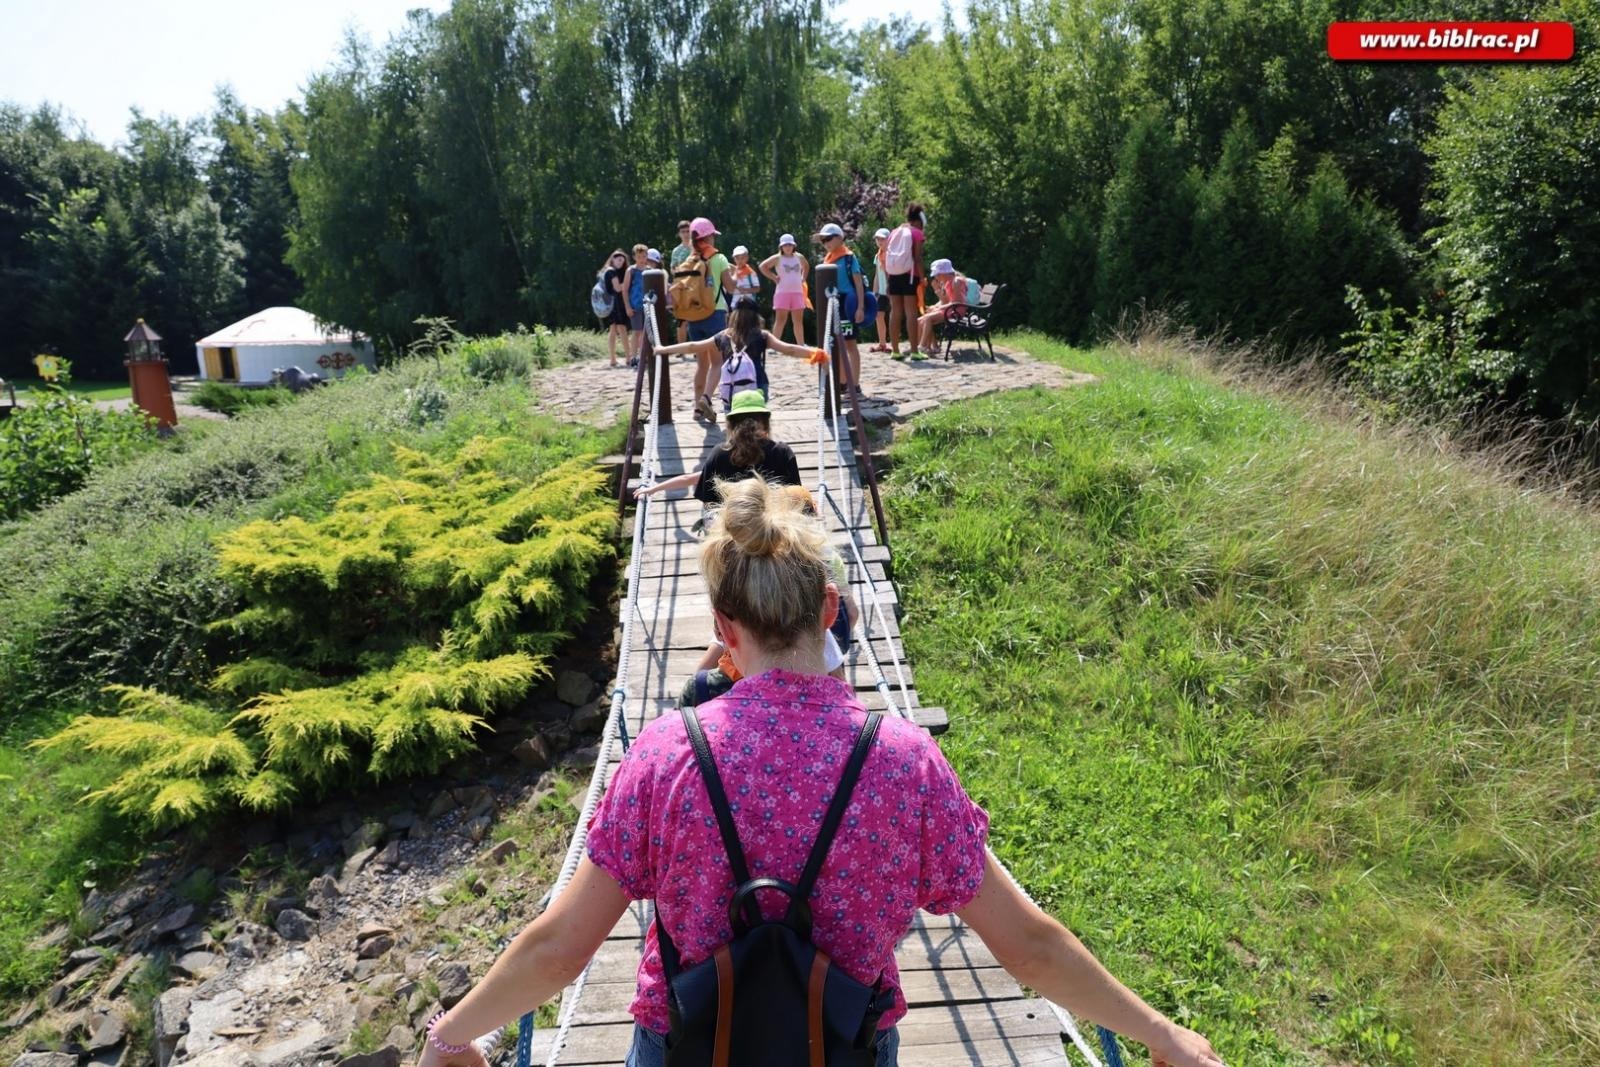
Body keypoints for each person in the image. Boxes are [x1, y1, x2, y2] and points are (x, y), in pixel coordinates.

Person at [413, 477, 1226, 1067]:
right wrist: (1163, 1033)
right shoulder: (904, 760)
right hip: (843, 1049)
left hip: (690, 1048)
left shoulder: (662, 754)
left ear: (724, 629)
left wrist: (450, 1034)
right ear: (830, 610)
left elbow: (558, 951)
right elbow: (1032, 948)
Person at [680, 484, 859, 708]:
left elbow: (703, 671)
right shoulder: (898, 742)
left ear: (722, 627)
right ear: (830, 606)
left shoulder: (678, 734)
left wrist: (696, 691)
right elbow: (845, 692)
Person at [653, 293, 826, 408]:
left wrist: (663, 349)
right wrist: (815, 353)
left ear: (734, 315)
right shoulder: (762, 336)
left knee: (734, 422)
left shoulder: (723, 336)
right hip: (757, 385)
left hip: (732, 387)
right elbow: (789, 349)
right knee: (758, 424)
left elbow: (693, 346)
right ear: (756, 316)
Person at [634, 389, 803, 506]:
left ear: (731, 423)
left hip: (734, 529)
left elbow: (705, 497)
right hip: (774, 528)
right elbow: (796, 496)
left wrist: (652, 489)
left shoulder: (719, 454)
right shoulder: (782, 452)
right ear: (766, 421)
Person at [682, 217, 735, 422]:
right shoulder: (719, 258)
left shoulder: (689, 259)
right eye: (713, 235)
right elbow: (730, 288)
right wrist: (735, 276)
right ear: (709, 236)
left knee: (701, 365)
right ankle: (706, 398)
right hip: (715, 314)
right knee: (717, 362)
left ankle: (697, 409)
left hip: (694, 317)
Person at [815, 222, 867, 391]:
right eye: (823, 240)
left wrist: (860, 307)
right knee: (837, 345)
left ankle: (855, 383)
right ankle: (843, 382)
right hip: (833, 302)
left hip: (848, 303)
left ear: (839, 238)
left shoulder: (849, 258)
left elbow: (858, 283)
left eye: (829, 239)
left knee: (850, 344)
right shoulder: (827, 260)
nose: (826, 243)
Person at [884, 204, 928, 360]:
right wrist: (922, 278)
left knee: (895, 311)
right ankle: (915, 351)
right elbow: (917, 258)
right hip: (909, 275)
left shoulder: (895, 232)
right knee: (911, 312)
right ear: (920, 220)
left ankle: (895, 350)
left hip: (893, 275)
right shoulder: (917, 233)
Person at [760, 233, 808, 348]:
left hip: (797, 292)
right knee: (780, 320)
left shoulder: (799, 257)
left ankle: (801, 345)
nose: (788, 247)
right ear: (781, 247)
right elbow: (763, 266)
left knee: (798, 320)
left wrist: (803, 278)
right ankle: (774, 345)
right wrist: (773, 277)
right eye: (785, 245)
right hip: (782, 292)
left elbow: (806, 266)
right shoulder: (778, 258)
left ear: (793, 246)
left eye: (790, 245)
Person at [916, 258, 972, 355]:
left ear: (944, 273)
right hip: (950, 309)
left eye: (937, 274)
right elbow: (945, 301)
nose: (936, 277)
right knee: (920, 319)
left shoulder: (957, 281)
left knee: (928, 319)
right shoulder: (947, 283)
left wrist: (938, 308)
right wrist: (934, 306)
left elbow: (956, 302)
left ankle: (922, 346)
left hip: (956, 311)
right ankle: (929, 347)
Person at [622, 244, 654, 366]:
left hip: (648, 305)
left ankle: (644, 355)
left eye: (644, 256)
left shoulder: (650, 271)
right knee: (637, 331)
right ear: (635, 257)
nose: (641, 258)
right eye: (639, 256)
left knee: (647, 332)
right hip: (635, 306)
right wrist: (627, 306)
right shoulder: (631, 271)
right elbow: (624, 290)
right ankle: (634, 357)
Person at [599, 249, 629, 367]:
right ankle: (628, 357)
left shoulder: (605, 271)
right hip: (616, 304)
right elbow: (617, 288)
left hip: (609, 304)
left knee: (612, 331)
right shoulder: (612, 272)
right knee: (622, 329)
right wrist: (627, 283)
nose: (620, 262)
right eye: (618, 259)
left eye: (622, 260)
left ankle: (613, 359)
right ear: (613, 259)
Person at [669, 219, 695, 344]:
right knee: (681, 319)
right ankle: (682, 348)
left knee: (696, 318)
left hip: (695, 286)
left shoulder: (696, 247)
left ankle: (697, 347)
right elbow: (673, 268)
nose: (685, 234)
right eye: (683, 231)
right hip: (680, 287)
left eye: (687, 231)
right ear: (679, 233)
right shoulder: (676, 251)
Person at [870, 227, 892, 353]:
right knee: (879, 316)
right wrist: (874, 293)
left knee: (895, 316)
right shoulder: (878, 256)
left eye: (882, 239)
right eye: (877, 239)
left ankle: (894, 344)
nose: (879, 241)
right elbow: (877, 275)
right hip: (882, 292)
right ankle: (882, 343)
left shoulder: (892, 255)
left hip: (892, 291)